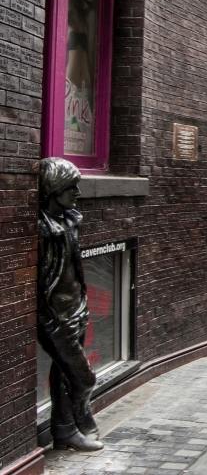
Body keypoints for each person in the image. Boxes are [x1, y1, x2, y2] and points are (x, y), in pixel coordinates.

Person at [37, 157, 104, 452]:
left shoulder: (69, 220)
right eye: (71, 187)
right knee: (84, 377)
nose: (77, 192)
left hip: (76, 307)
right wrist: (49, 315)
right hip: (56, 317)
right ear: (54, 189)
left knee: (65, 373)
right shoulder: (41, 230)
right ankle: (82, 419)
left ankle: (65, 432)